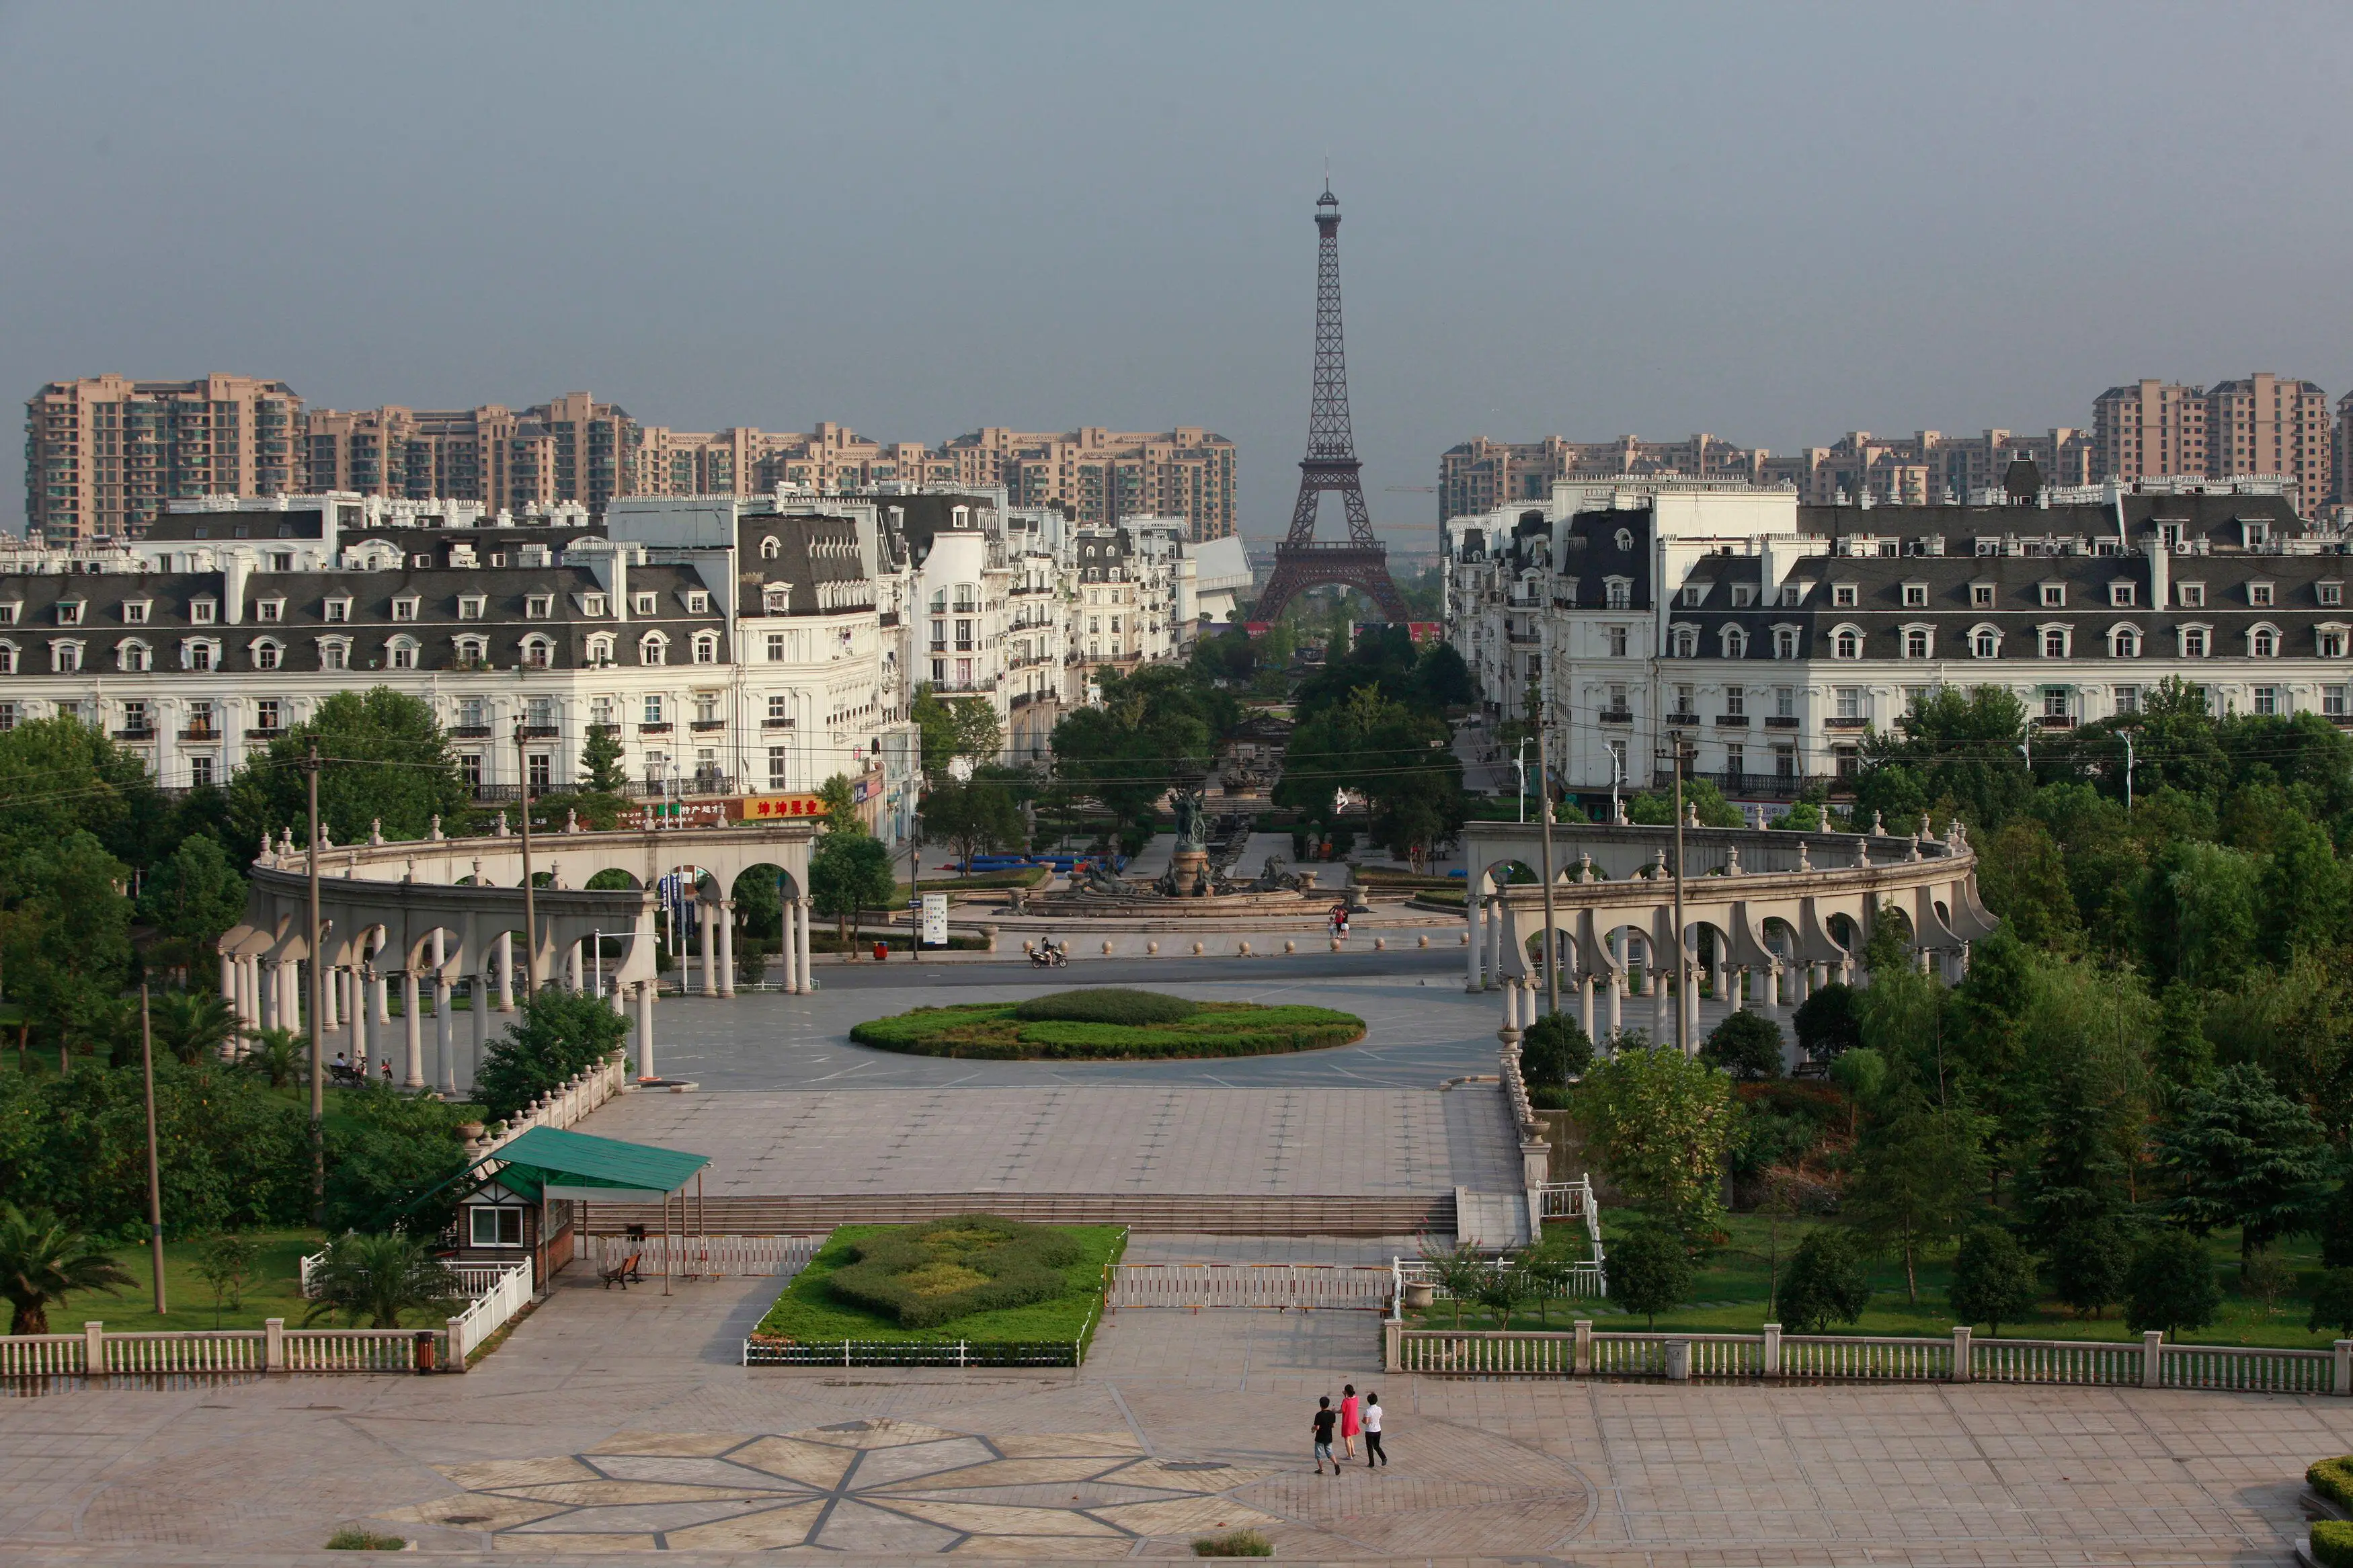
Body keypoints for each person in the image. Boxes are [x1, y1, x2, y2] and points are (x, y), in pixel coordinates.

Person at [1311, 1395, 1338, 1475]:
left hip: (1320, 1437)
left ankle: (1321, 1469)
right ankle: (1336, 1464)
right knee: (1329, 1452)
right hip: (1329, 1436)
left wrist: (1313, 1428)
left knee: (1319, 1454)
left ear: (1320, 1405)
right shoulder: (1332, 1414)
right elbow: (1333, 1426)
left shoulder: (1319, 1415)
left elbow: (1317, 1427)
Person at [1362, 1391, 1386, 1467]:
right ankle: (1383, 1457)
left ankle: (1371, 1463)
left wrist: (1362, 1420)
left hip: (1370, 1431)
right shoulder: (1379, 1409)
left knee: (1370, 1447)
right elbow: (1380, 1418)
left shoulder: (1368, 1410)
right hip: (1378, 1430)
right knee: (1376, 1446)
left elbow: (1366, 1422)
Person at [1338, 1384, 1360, 1460]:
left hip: (1348, 1421)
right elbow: (1350, 1403)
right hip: (1354, 1420)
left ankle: (1349, 1455)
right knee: (1350, 1436)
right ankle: (1353, 1451)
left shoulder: (1345, 1401)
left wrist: (1335, 1411)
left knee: (1347, 1438)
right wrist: (1346, 1396)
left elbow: (1342, 1410)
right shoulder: (1356, 1398)